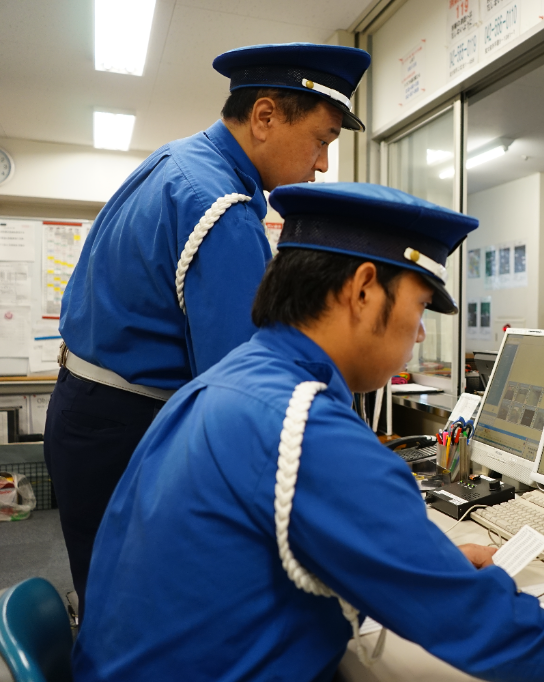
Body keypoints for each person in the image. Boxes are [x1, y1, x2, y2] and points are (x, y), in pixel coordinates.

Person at [73, 183, 544, 682]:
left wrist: (422, 558)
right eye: (421, 305)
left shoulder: (223, 385)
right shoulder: (306, 428)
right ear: (362, 290)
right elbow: (469, 623)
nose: (421, 333)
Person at [44, 43, 371, 620]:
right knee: (144, 614)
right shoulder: (220, 206)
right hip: (127, 429)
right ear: (265, 117)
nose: (322, 163)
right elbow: (244, 389)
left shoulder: (177, 162)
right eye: (322, 141)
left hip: (89, 412)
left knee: (111, 602)